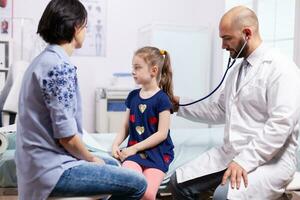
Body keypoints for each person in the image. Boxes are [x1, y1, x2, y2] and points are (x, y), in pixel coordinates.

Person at [15, 0, 147, 199]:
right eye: (85, 26)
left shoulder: (40, 61)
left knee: (112, 163)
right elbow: (67, 137)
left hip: (35, 166)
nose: (86, 31)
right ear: (76, 27)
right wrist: (91, 158)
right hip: (52, 171)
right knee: (138, 183)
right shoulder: (59, 67)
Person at [169, 6, 300, 200]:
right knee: (177, 183)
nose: (223, 46)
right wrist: (179, 104)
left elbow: (280, 125)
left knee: (224, 196)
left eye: (226, 38)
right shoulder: (237, 71)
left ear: (247, 33)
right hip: (231, 154)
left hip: (272, 161)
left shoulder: (281, 68)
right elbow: (219, 111)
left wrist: (244, 161)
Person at [112, 46, 175, 200]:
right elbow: (125, 126)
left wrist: (134, 148)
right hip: (134, 154)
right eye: (133, 67)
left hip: (157, 154)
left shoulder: (162, 99)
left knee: (147, 194)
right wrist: (115, 144)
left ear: (153, 71)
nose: (133, 71)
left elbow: (162, 134)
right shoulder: (133, 96)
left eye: (138, 68)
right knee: (130, 187)